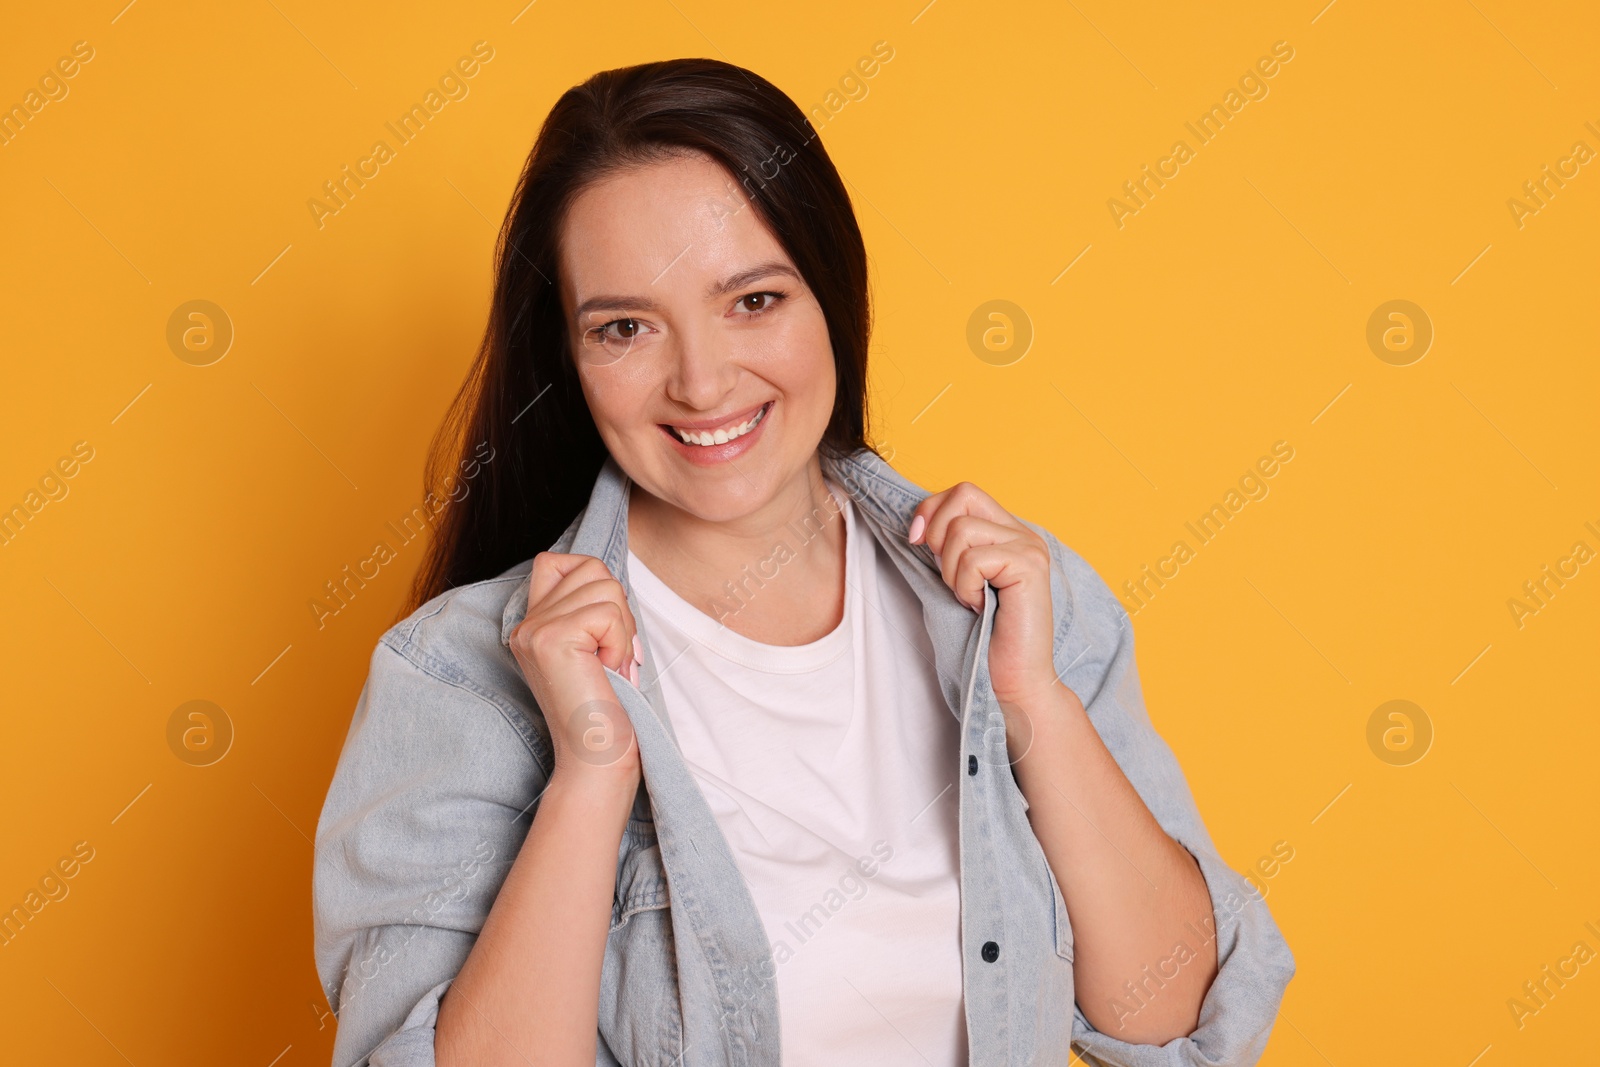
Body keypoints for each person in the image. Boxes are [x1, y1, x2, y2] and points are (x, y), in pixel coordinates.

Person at [312, 57, 1295, 1067]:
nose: (700, 380)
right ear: (570, 360)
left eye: (752, 301)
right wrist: (591, 769)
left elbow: (1174, 1015)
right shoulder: (460, 675)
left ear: (832, 293)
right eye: (625, 327)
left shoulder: (1014, 603)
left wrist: (1031, 698)